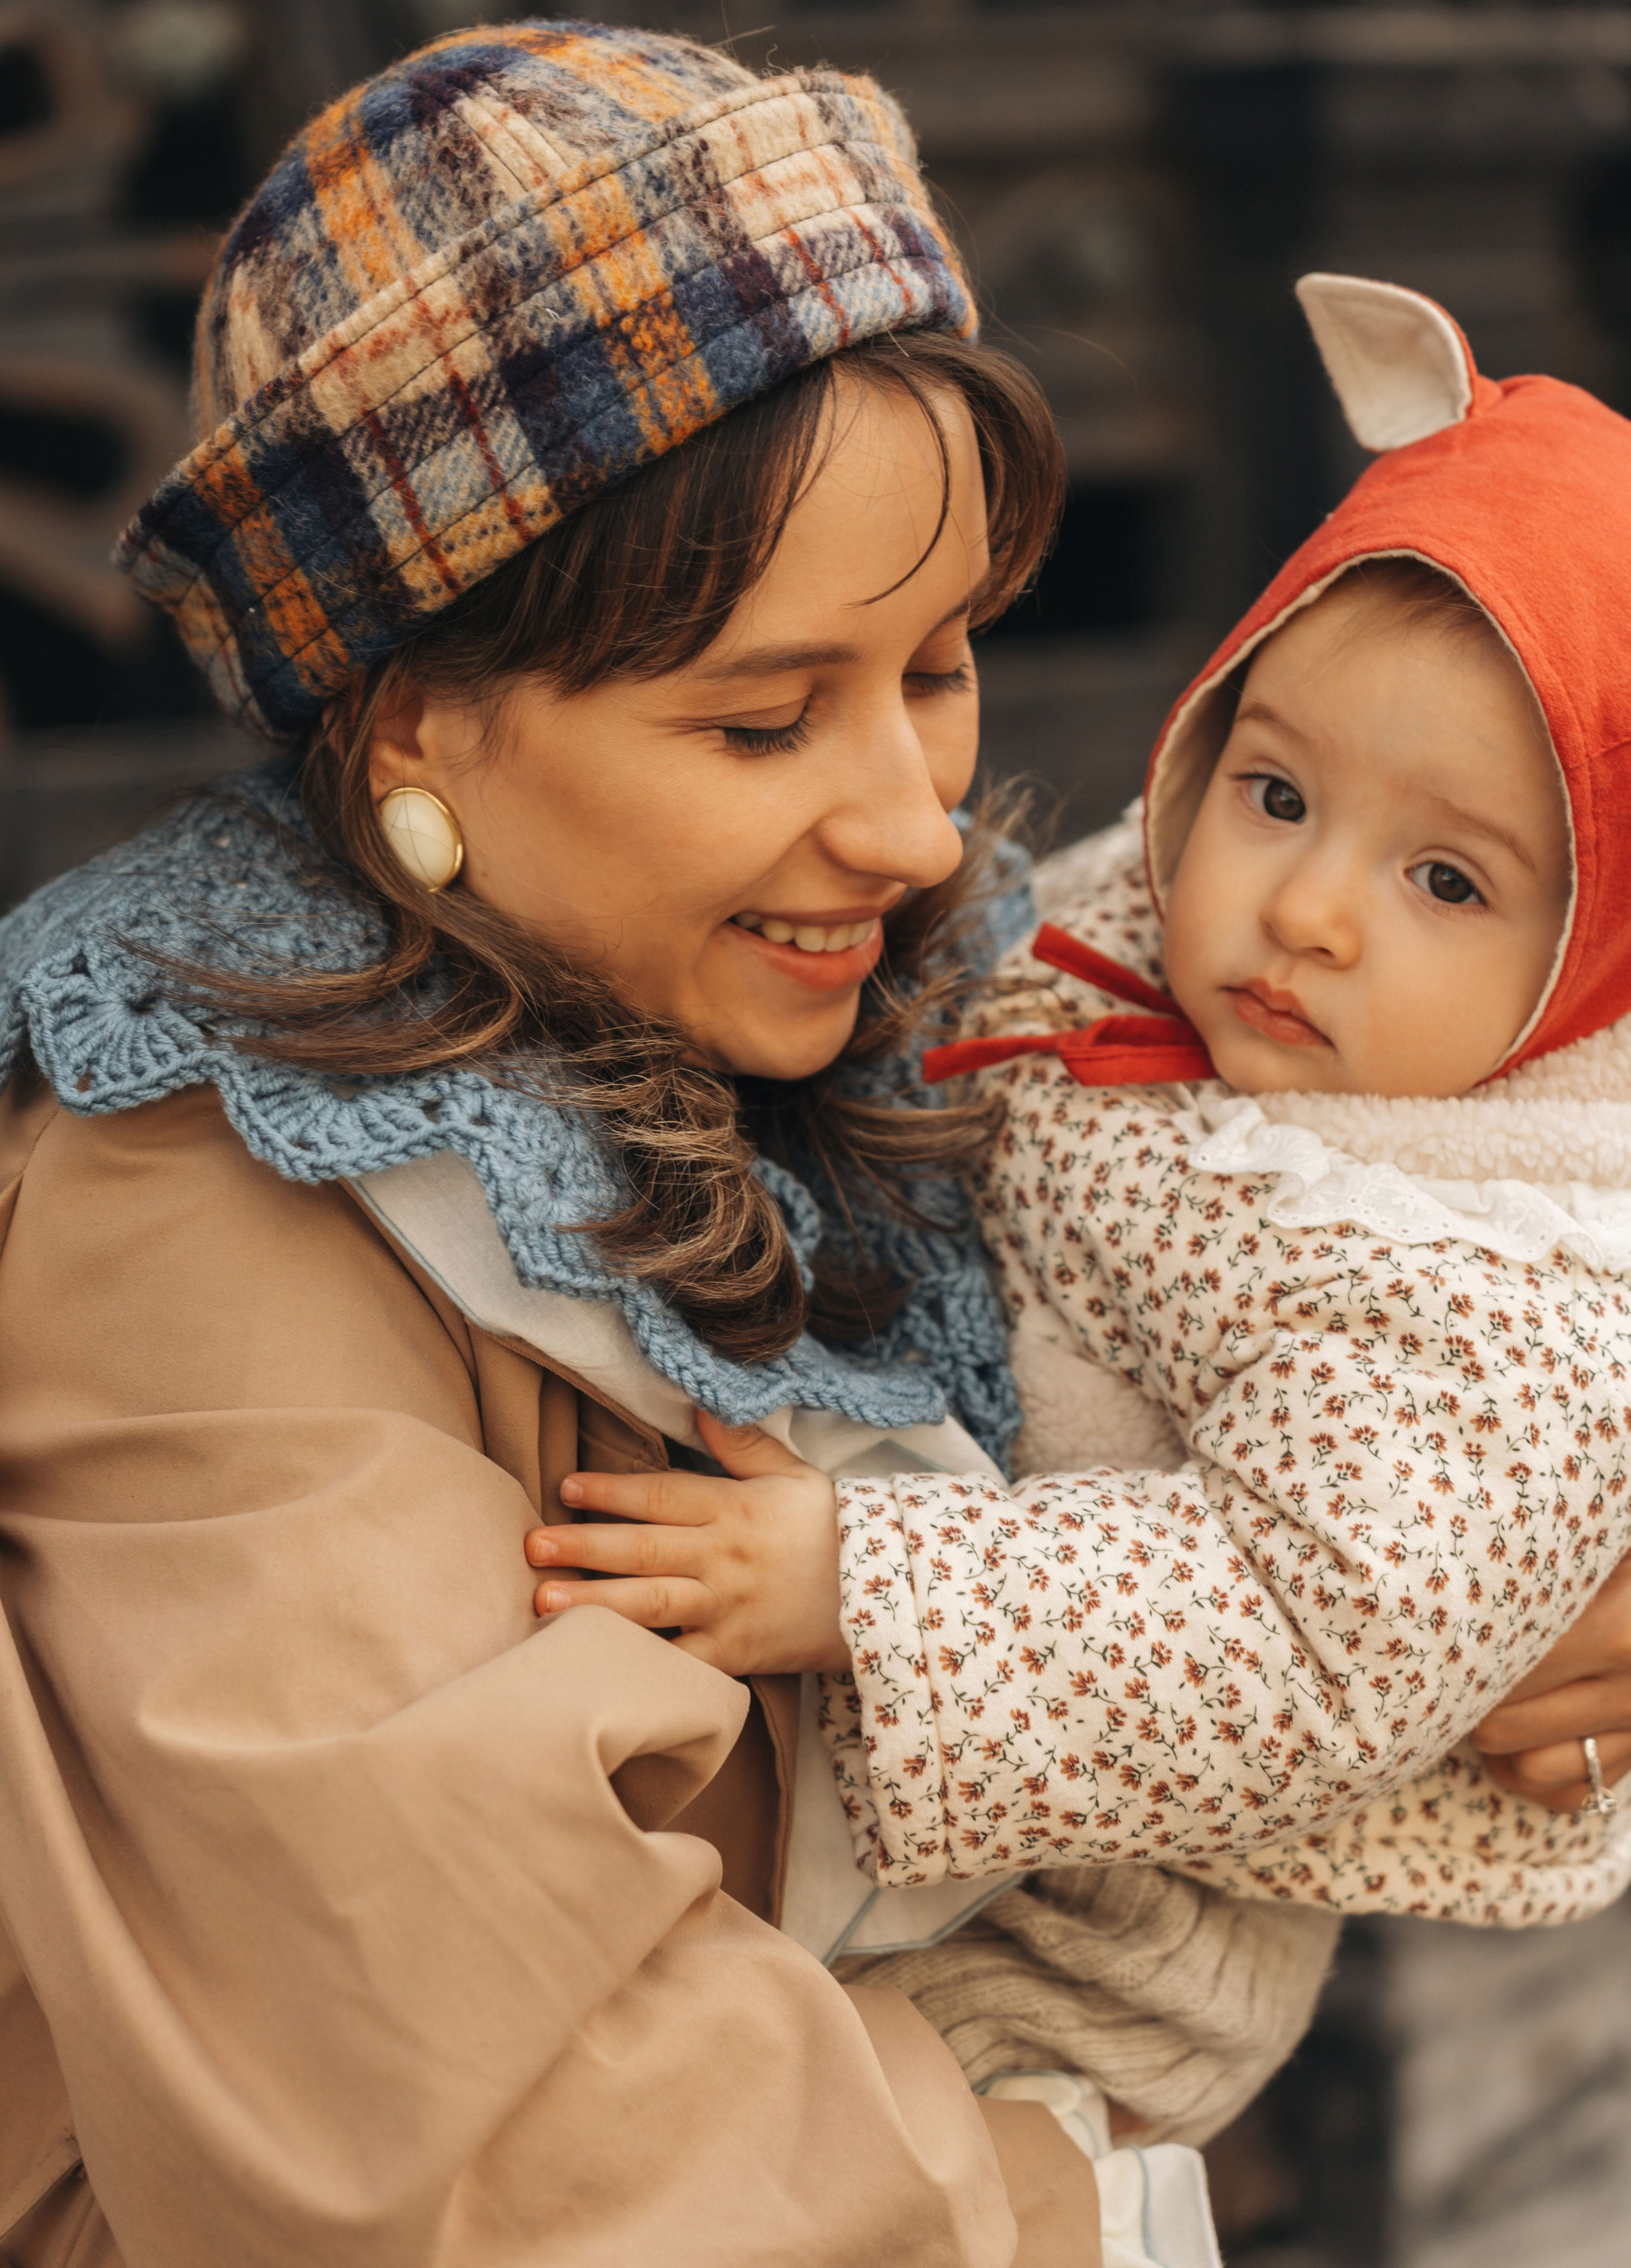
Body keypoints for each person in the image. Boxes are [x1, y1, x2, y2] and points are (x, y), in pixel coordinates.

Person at [0, 21, 1175, 2268]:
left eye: (937, 672)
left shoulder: (895, 1039)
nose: (914, 825)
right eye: (764, 725)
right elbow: (487, 2178)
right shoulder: (205, 1220)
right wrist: (1076, 2199)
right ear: (415, 730)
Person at [542, 275, 1631, 1946]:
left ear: (1592, 962)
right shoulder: (1160, 934)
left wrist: (863, 1586)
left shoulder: (1473, 1288)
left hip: (1145, 1913)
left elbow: (1301, 1631)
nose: (1310, 907)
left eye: (1446, 880)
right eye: (1273, 791)